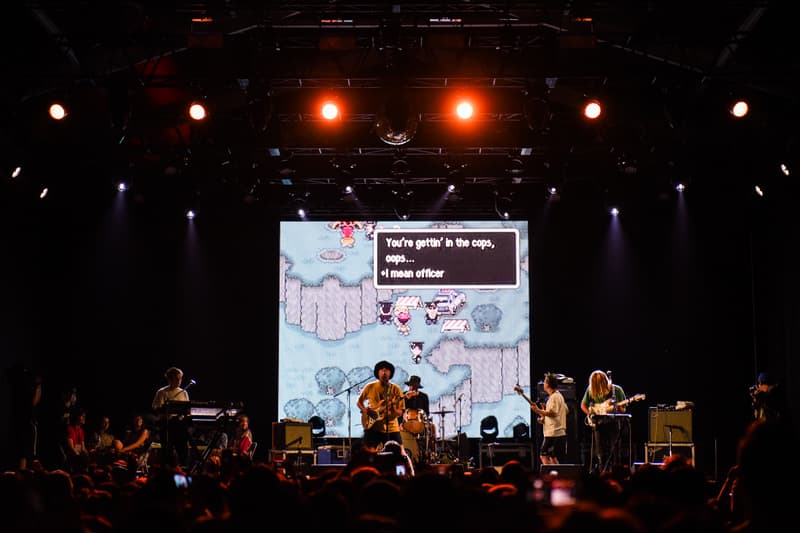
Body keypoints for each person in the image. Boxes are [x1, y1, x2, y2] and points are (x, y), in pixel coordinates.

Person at [580, 369, 627, 472]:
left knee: (615, 451)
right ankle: (602, 473)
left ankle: (615, 474)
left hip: (613, 422)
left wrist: (617, 406)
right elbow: (583, 405)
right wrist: (590, 414)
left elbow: (623, 409)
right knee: (600, 452)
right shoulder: (590, 389)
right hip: (598, 423)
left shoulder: (616, 390)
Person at [357, 360, 405, 450]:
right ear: (377, 372)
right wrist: (365, 411)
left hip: (392, 428)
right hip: (373, 427)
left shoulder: (396, 389)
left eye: (387, 370)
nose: (384, 372)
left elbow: (400, 412)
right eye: (382, 370)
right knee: (367, 452)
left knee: (400, 453)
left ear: (390, 373)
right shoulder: (370, 387)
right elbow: (359, 402)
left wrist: (394, 410)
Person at [152, 366, 191, 467]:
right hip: (167, 426)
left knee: (182, 450)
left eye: (180, 378)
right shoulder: (162, 392)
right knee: (167, 452)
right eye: (176, 378)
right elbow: (157, 409)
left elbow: (187, 410)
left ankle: (183, 470)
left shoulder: (184, 392)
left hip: (180, 425)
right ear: (169, 379)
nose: (179, 381)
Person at [531, 373, 568, 465]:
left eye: (544, 382)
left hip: (553, 432)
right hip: (555, 432)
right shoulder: (558, 396)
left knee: (543, 455)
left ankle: (550, 476)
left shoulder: (554, 397)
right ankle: (557, 476)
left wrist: (538, 410)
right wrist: (544, 416)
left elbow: (553, 413)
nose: (543, 384)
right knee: (552, 457)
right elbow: (564, 411)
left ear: (547, 384)